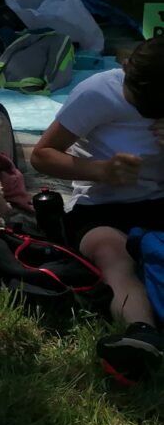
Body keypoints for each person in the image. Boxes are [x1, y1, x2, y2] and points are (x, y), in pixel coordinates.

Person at [30, 36, 164, 386]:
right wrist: (101, 171)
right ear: (126, 69)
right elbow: (42, 155)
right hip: (101, 204)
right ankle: (142, 333)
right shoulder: (98, 92)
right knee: (110, 252)